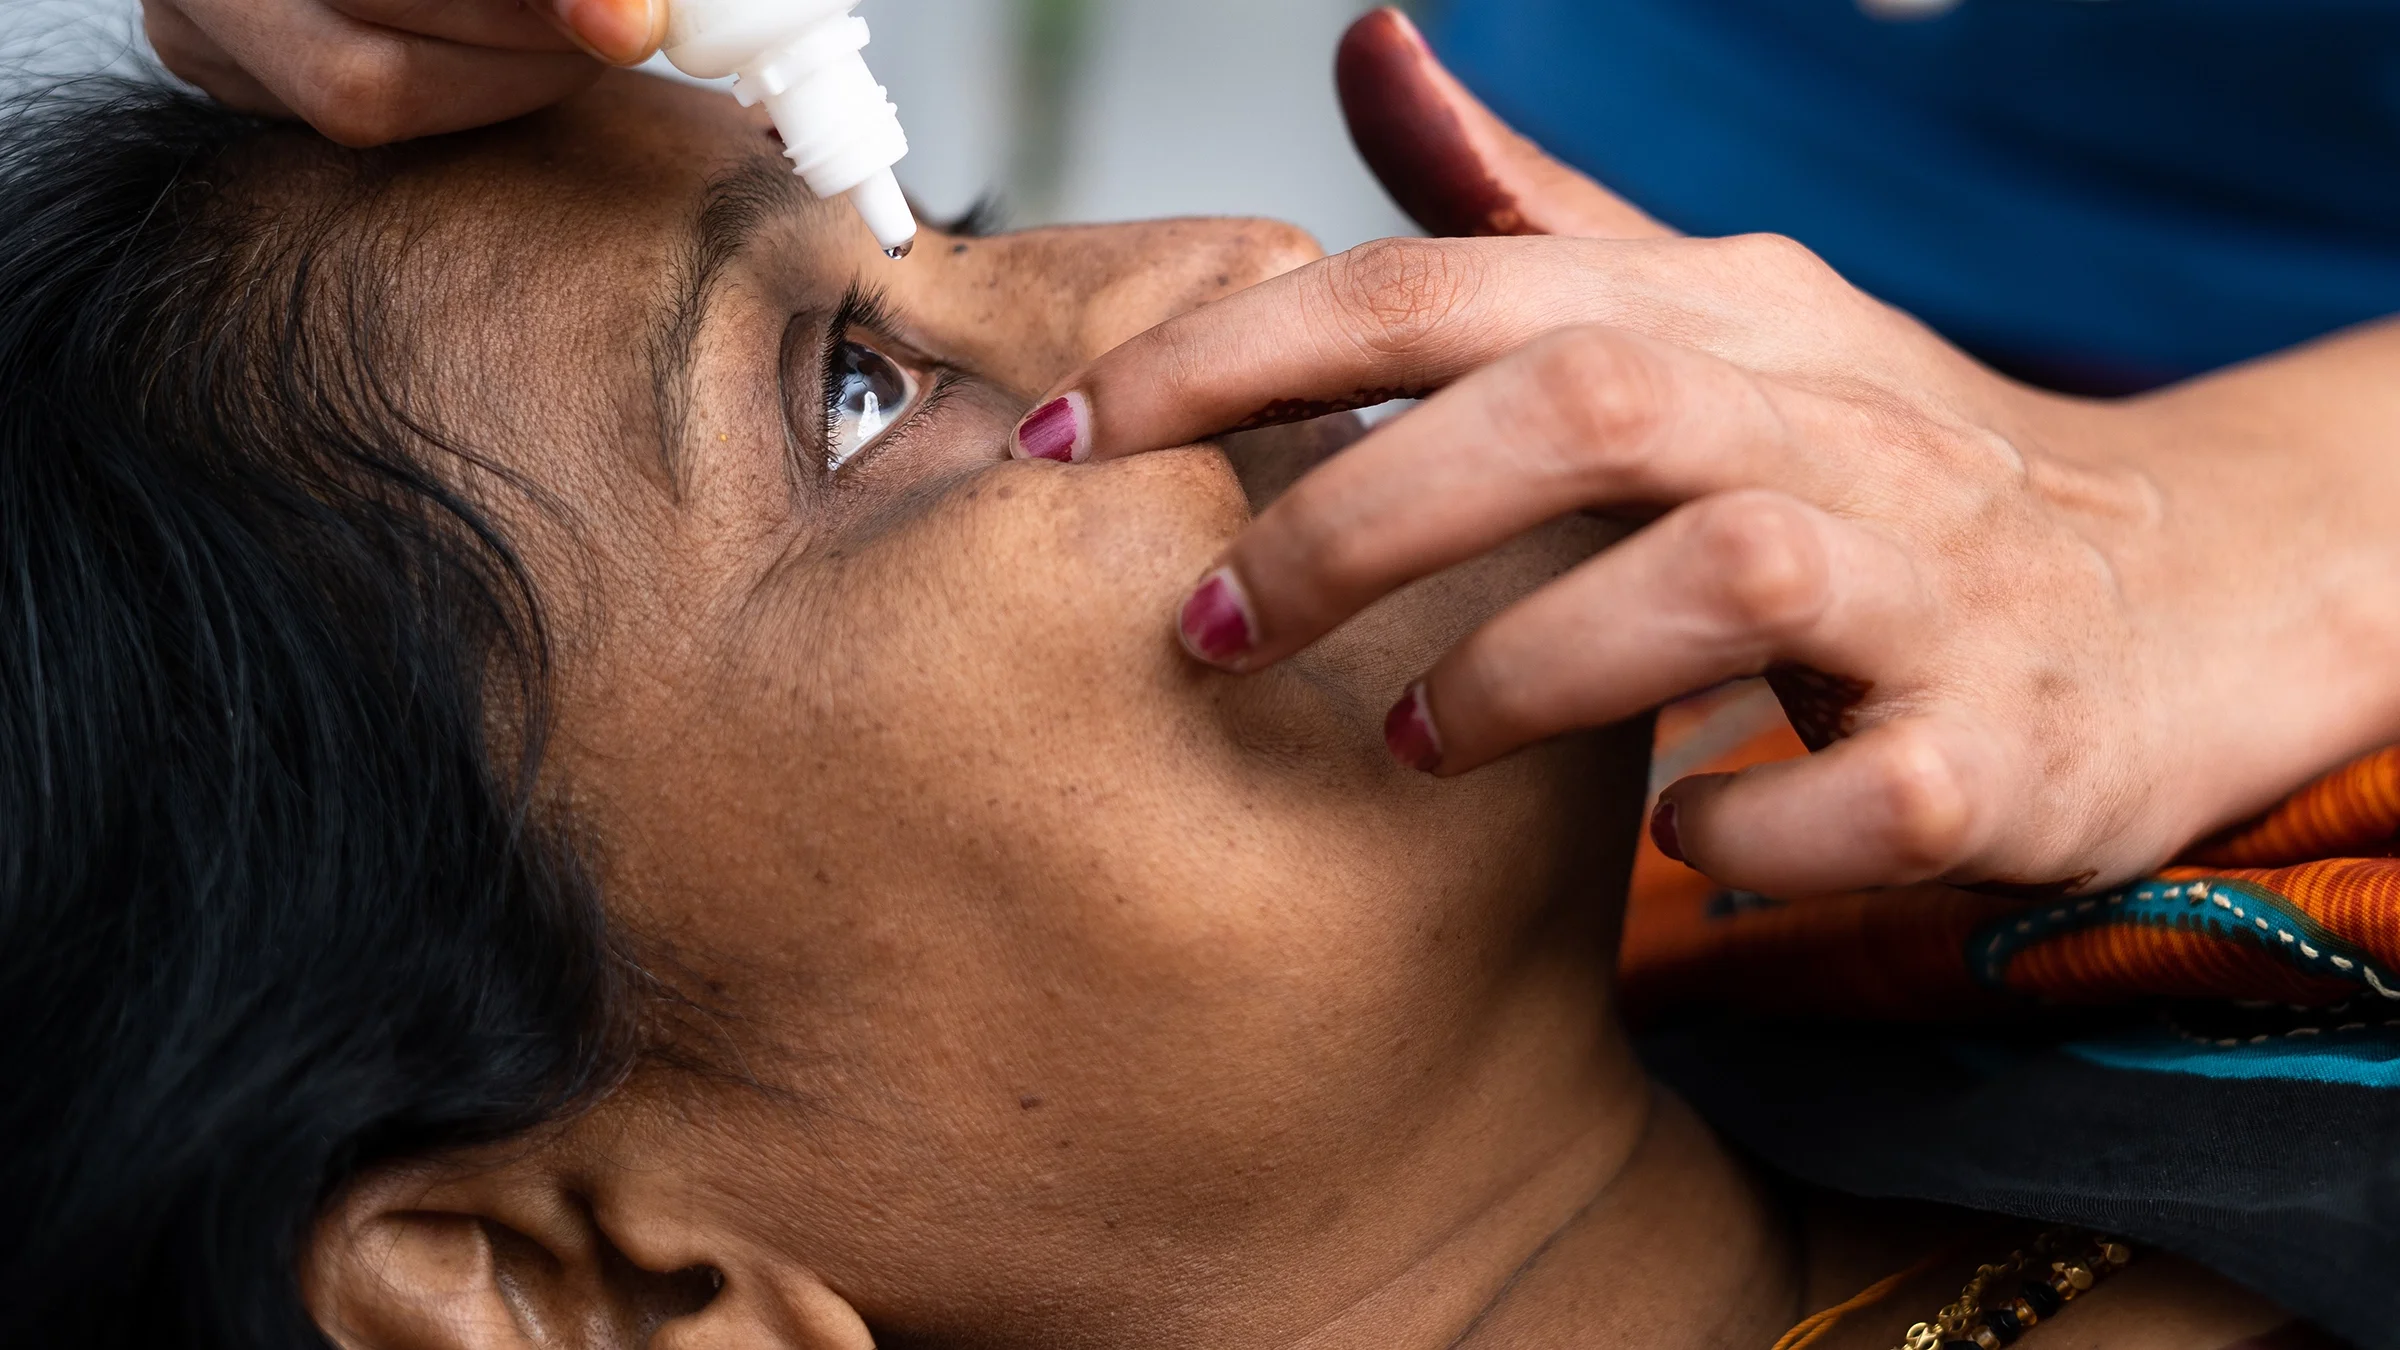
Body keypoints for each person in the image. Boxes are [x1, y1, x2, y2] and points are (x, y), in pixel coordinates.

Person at [0, 64, 2345, 1350]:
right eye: (850, 394)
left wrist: (2231, 528)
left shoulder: (1914, 788)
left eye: (969, 216)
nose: (1232, 263)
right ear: (572, 1297)